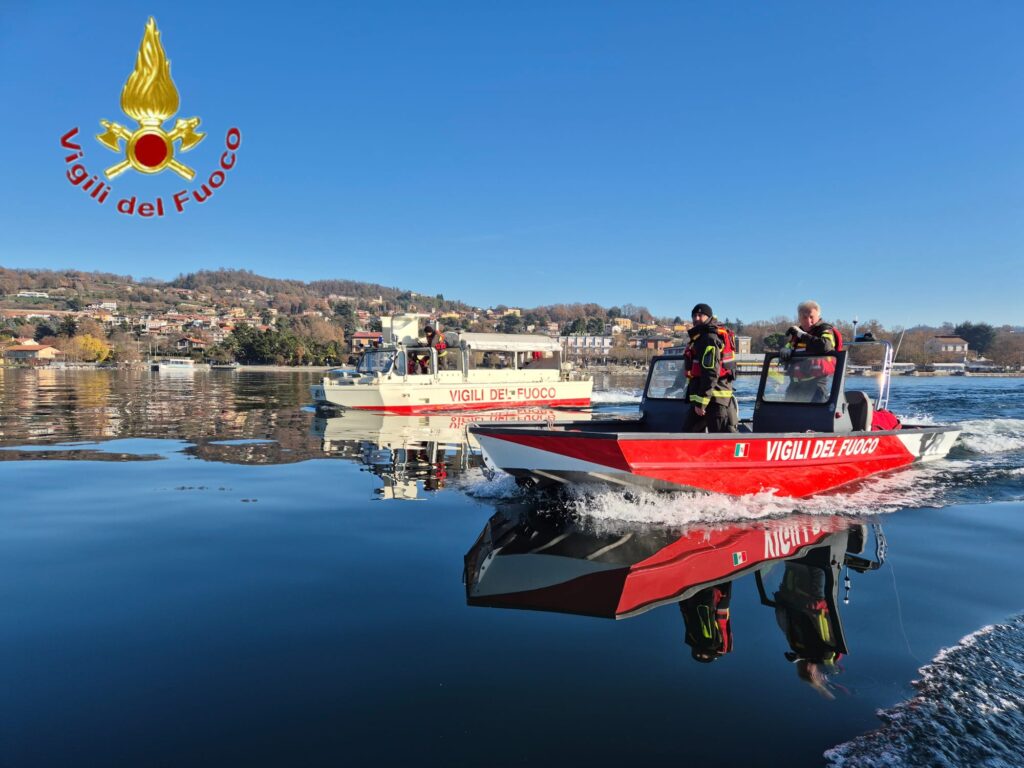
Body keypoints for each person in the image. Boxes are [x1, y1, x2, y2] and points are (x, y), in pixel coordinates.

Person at [681, 303, 738, 433]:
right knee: (688, 435)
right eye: (694, 315)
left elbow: (710, 372)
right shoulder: (700, 337)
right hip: (706, 397)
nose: (696, 318)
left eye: (700, 315)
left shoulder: (708, 338)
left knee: (719, 439)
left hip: (714, 398)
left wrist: (702, 402)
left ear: (709, 317)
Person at [781, 300, 842, 403]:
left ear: (818, 316)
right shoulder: (796, 334)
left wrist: (801, 334)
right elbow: (786, 352)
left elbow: (825, 346)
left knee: (815, 412)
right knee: (785, 411)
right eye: (804, 318)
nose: (809, 321)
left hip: (816, 385)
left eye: (811, 317)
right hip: (794, 385)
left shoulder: (825, 330)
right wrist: (784, 350)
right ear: (799, 318)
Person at [679, 582, 733, 663]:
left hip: (709, 595)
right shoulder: (706, 643)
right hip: (701, 596)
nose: (700, 655)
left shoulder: (714, 643)